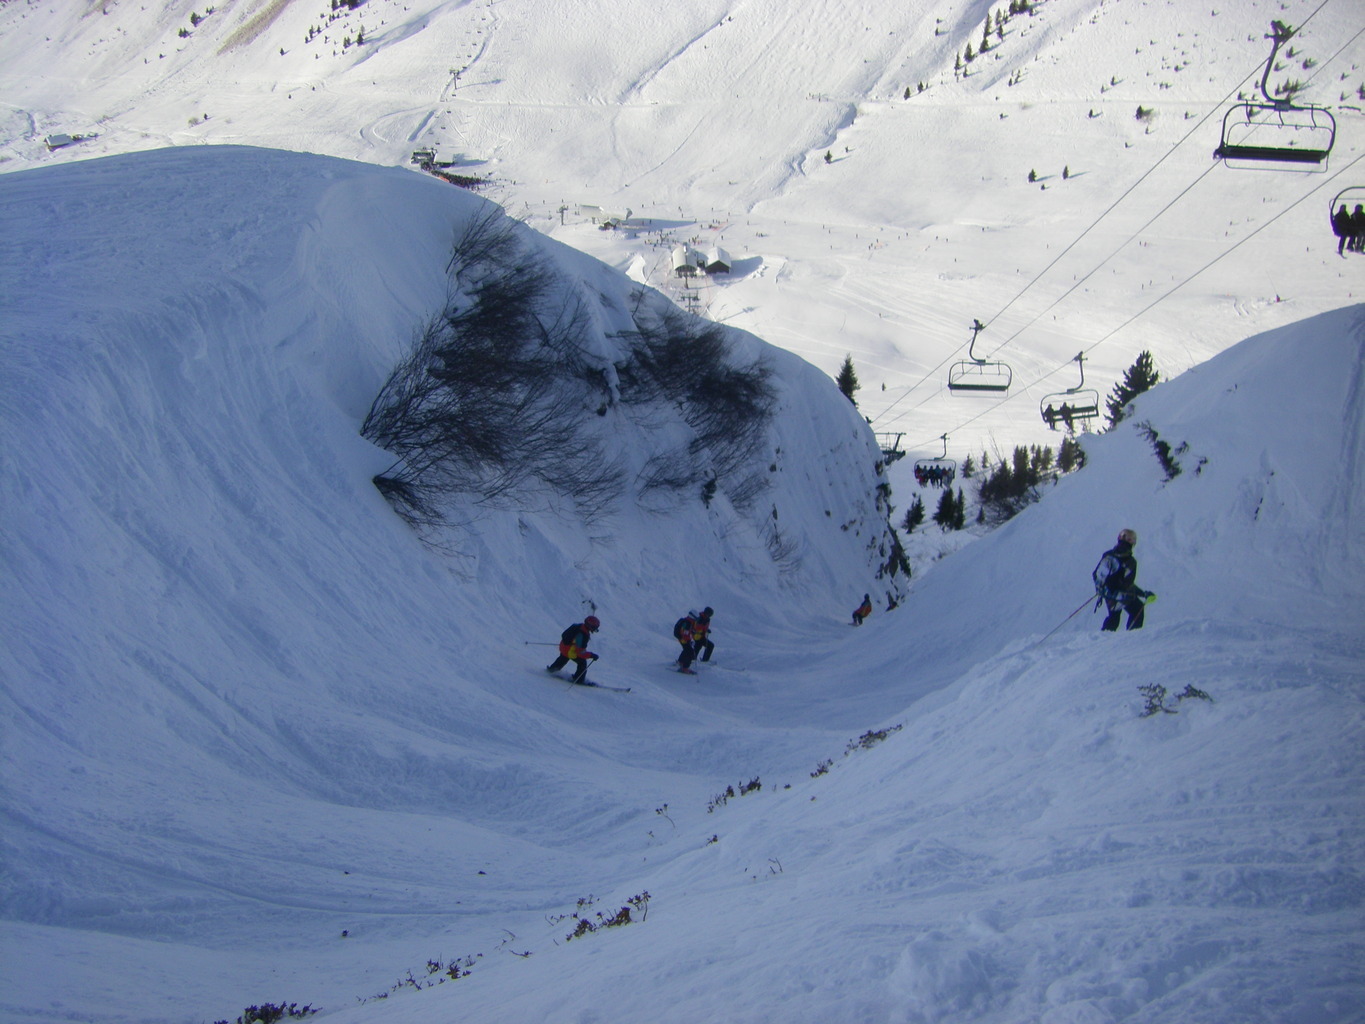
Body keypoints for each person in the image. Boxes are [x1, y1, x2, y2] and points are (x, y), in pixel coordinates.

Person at [1092, 529, 1155, 631]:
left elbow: (1096, 574)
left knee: (1114, 617)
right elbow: (1127, 585)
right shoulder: (1130, 561)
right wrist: (1143, 594)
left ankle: (1103, 636)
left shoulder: (1108, 555)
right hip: (1120, 594)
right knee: (1137, 609)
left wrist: (1102, 588)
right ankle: (1132, 636)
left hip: (1106, 592)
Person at [546, 615, 600, 683]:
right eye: (594, 627)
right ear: (590, 626)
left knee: (563, 658)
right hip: (570, 651)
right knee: (582, 663)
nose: (595, 629)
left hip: (563, 647)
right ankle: (579, 680)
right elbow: (580, 652)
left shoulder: (578, 626)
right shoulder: (582, 634)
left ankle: (552, 669)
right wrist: (591, 655)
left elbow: (565, 636)